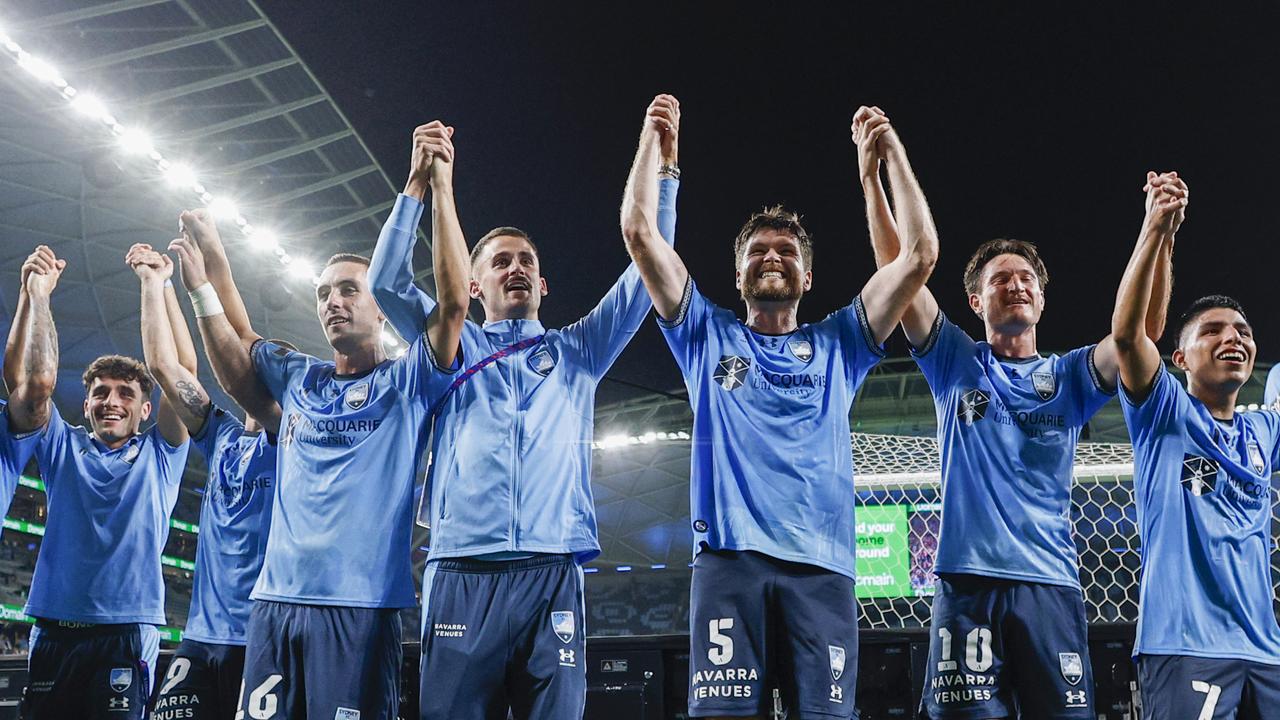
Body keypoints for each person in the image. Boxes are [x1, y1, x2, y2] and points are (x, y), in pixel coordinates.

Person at [620, 99, 937, 718]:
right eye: (758, 251)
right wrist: (658, 153)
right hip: (728, 568)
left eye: (787, 250)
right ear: (736, 275)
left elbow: (920, 255)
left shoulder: (840, 343)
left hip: (822, 573)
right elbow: (639, 232)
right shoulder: (705, 334)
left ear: (809, 277)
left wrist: (887, 156)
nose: (772, 256)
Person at [861, 104, 1176, 717]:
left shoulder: (1069, 374)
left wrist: (1157, 232)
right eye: (1002, 278)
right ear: (975, 298)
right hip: (965, 586)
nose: (1018, 284)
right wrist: (875, 178)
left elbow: (1145, 332)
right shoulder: (955, 360)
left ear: (1042, 298)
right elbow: (897, 274)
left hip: (1049, 586)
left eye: (1027, 277)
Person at [366, 107, 679, 719]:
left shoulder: (578, 351)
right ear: (473, 286)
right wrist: (415, 188)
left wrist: (663, 170)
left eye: (527, 262)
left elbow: (650, 269)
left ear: (544, 286)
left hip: (551, 572)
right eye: (501, 261)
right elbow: (385, 283)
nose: (517, 268)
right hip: (461, 569)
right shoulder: (448, 344)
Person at [178, 202, 440, 718]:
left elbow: (448, 319)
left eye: (348, 290)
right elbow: (242, 341)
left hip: (360, 611)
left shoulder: (409, 380)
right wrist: (209, 263)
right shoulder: (302, 378)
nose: (333, 302)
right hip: (274, 604)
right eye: (323, 294)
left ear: (382, 306)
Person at [1114, 174, 1280, 717]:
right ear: (1179, 360)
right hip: (1185, 648)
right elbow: (1127, 333)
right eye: (1212, 331)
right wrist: (1156, 229)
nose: (1233, 337)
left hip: (1265, 651)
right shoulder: (1162, 411)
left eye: (1242, 331)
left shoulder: (1263, 431)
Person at [4, 245, 190, 719]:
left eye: (126, 393)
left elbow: (181, 376)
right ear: (85, 405)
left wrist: (157, 286)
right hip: (54, 629)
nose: (112, 401)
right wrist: (37, 296)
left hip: (126, 631)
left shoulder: (161, 452)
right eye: (100, 392)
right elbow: (27, 385)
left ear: (145, 410)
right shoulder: (60, 444)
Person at [123, 239, 281, 720]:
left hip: (262, 638)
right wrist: (156, 283)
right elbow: (166, 370)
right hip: (200, 636)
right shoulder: (222, 437)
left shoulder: (292, 442)